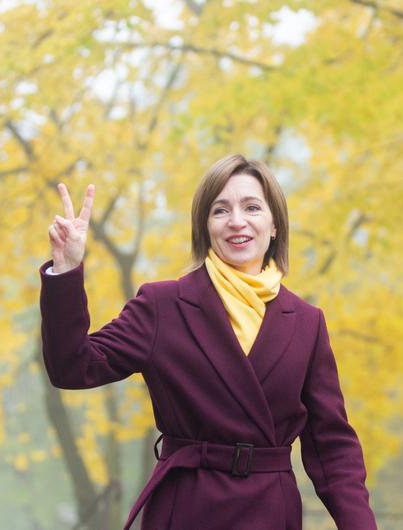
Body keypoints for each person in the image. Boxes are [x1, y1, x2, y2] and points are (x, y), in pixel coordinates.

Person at [39, 154, 377, 529]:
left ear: (275, 224)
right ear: (205, 226)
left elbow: (333, 448)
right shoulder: (162, 306)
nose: (237, 221)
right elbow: (73, 366)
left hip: (271, 513)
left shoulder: (307, 323)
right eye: (220, 210)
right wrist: (67, 271)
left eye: (252, 207)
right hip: (186, 508)